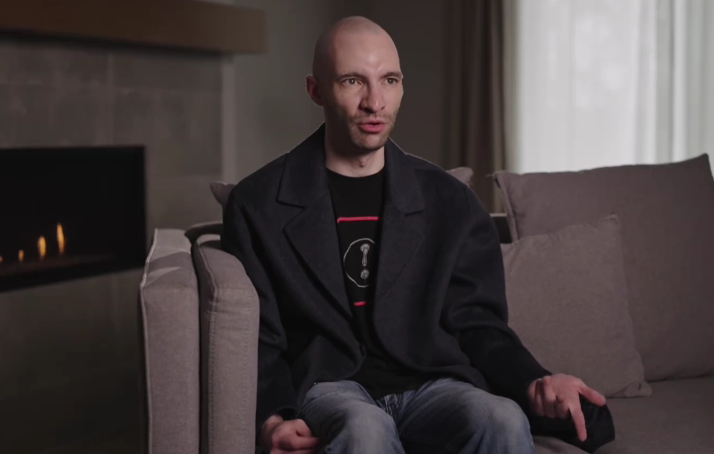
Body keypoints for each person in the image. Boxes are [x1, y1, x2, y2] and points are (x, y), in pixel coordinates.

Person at [222, 16, 611, 454]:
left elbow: (479, 324)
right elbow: (259, 338)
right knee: (365, 429)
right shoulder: (258, 204)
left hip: (432, 383)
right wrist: (271, 420)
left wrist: (535, 379)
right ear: (316, 90)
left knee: (501, 418)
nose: (375, 102)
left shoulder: (451, 201)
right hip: (329, 387)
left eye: (389, 80)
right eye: (353, 81)